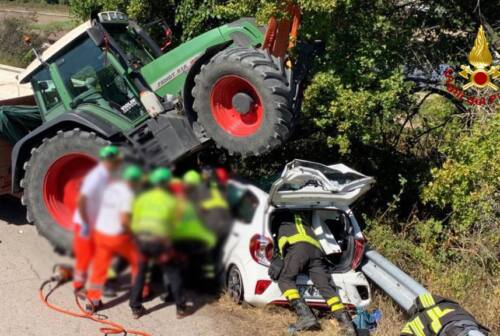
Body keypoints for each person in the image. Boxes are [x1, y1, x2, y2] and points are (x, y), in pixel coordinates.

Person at [275, 210, 356, 335]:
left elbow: (275, 241)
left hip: (298, 249)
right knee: (325, 287)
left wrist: (277, 258)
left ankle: (305, 315)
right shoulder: (305, 216)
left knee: (285, 280)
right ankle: (347, 325)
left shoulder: (280, 216)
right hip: (316, 251)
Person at [129, 167, 189, 319]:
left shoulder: (142, 199)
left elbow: (135, 223)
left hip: (142, 241)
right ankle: (180, 308)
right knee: (173, 272)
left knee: (140, 274)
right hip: (160, 243)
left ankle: (136, 308)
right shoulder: (170, 201)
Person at [85, 165, 143, 312]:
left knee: (99, 268)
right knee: (138, 262)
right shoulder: (128, 195)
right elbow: (124, 220)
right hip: (116, 237)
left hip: (101, 233)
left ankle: (92, 303)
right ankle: (136, 305)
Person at [72, 145, 122, 292]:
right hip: (85, 225)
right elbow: (81, 199)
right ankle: (81, 288)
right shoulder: (97, 177)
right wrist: (86, 223)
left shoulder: (107, 175)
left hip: (96, 224)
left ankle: (101, 283)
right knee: (85, 258)